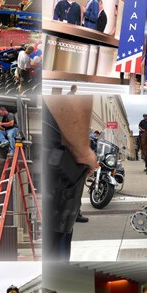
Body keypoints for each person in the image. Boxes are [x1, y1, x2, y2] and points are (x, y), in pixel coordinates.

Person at [42, 96, 96, 262]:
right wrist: (82, 151)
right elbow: (67, 95)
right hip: (56, 148)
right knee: (56, 247)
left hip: (49, 146)